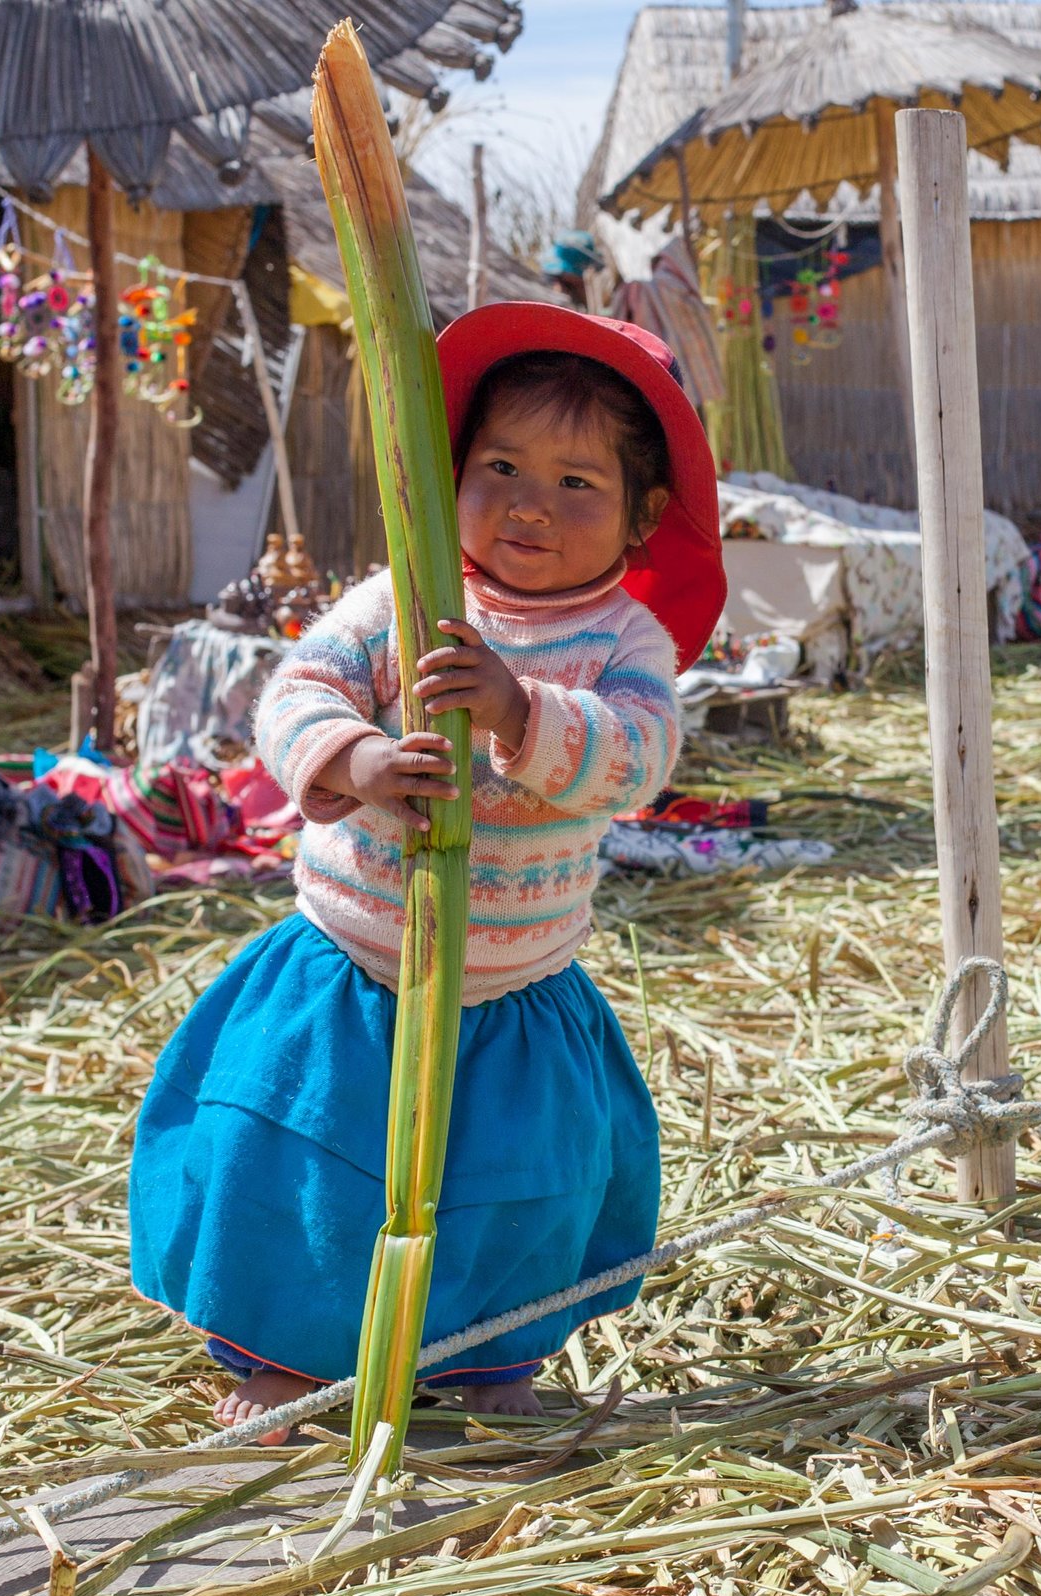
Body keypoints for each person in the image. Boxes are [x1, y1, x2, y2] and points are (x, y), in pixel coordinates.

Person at [128, 303, 724, 1435]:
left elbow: (635, 756)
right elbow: (293, 691)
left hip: (510, 993)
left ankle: (482, 1359)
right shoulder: (403, 597)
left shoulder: (623, 643)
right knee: (293, 1156)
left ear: (644, 516)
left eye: (576, 482)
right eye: (498, 465)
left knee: (517, 1189)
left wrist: (518, 708)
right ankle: (285, 1358)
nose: (529, 503)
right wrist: (351, 757)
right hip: (352, 966)